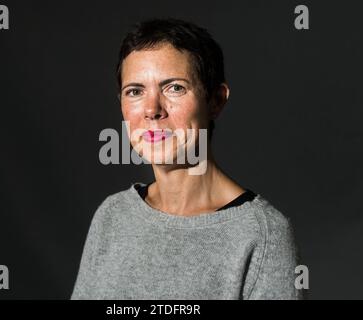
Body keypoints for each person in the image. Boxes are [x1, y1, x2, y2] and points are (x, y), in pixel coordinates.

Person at [71, 18, 302, 300]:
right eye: (135, 91)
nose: (152, 110)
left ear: (216, 100)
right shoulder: (112, 216)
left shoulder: (264, 235)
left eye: (174, 88)